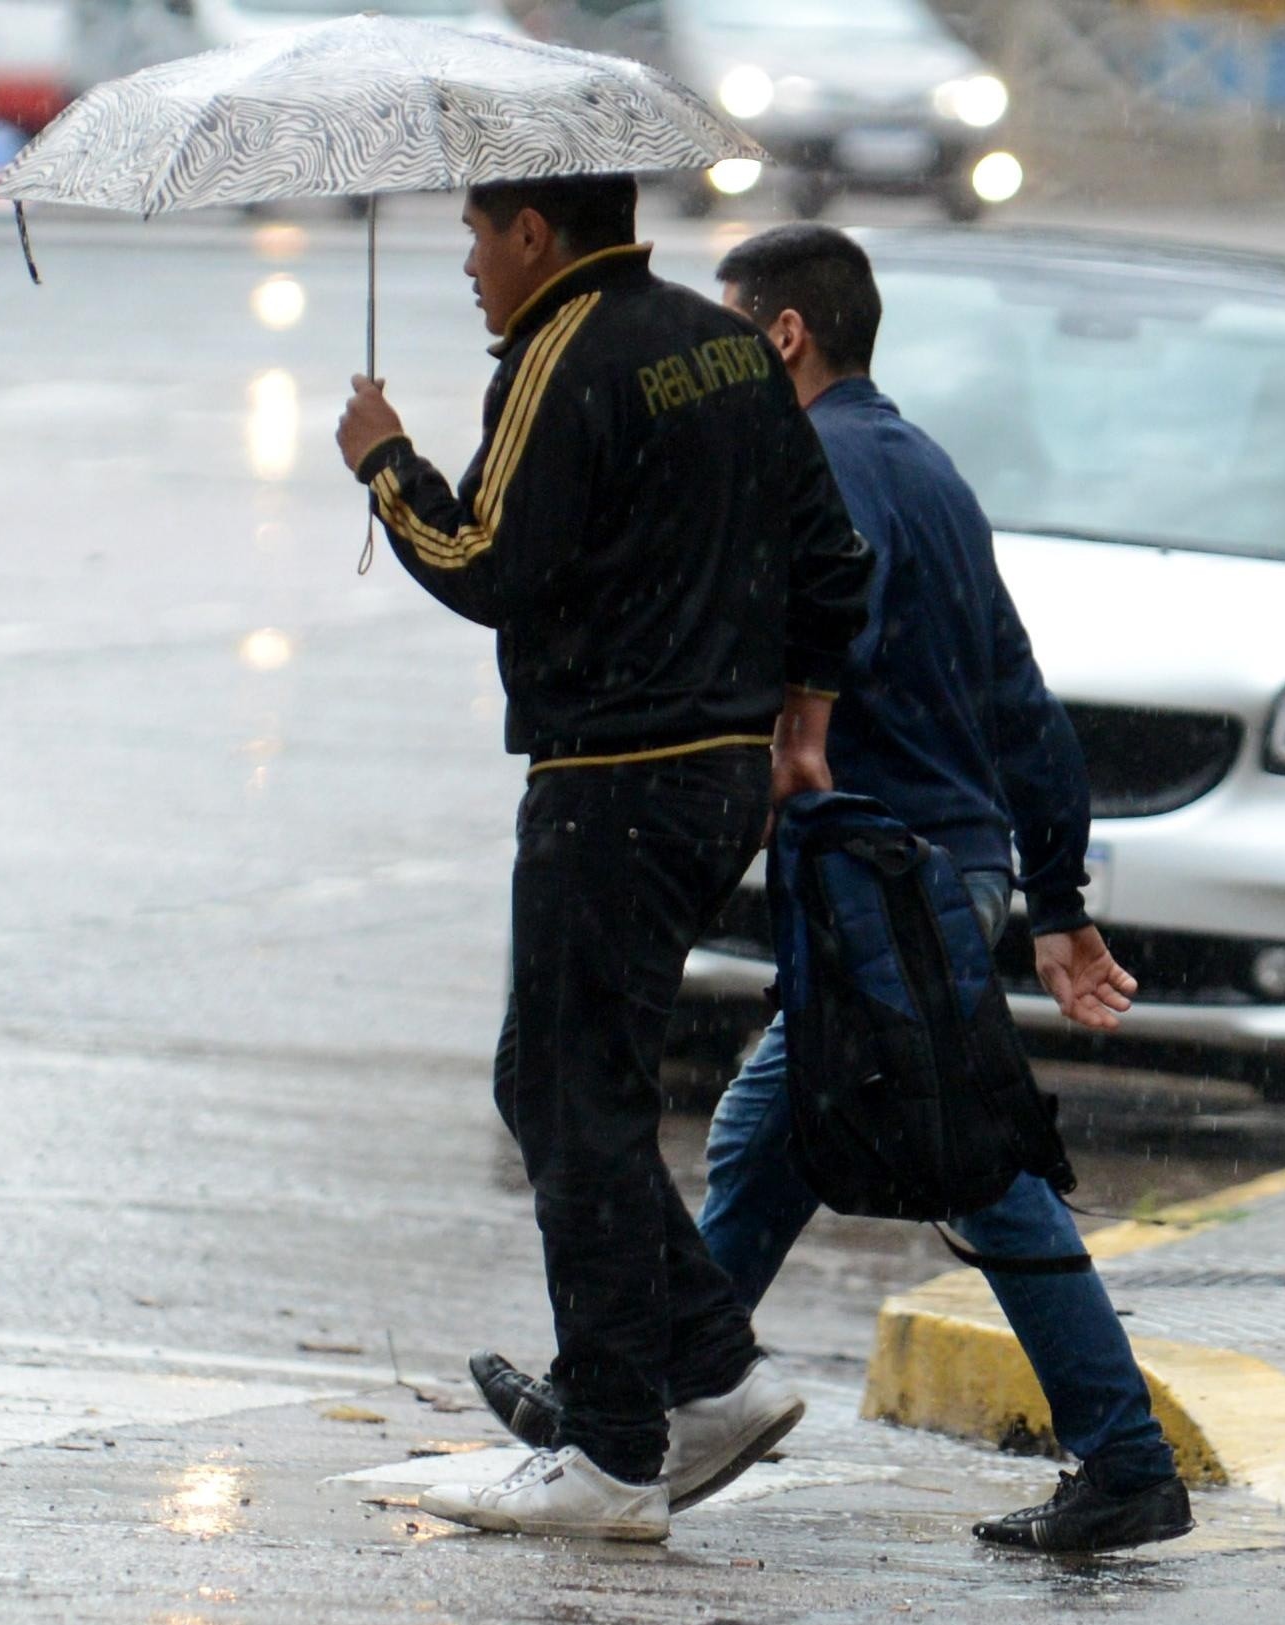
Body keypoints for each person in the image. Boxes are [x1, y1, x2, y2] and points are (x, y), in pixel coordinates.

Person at [469, 223, 1193, 1555]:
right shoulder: (923, 467)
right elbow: (1019, 697)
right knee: (763, 1145)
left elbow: (793, 659)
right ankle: (647, 1397)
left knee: (981, 1175)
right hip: (920, 874)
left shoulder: (829, 473)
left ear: (783, 336)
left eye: (728, 335)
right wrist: (1051, 889)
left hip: (886, 877)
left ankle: (1126, 1458)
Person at [333, 174, 873, 1545]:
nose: (465, 264)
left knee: (577, 1107)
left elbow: (484, 561)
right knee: (558, 1082)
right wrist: (797, 713)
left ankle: (617, 1454)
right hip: (712, 780)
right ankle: (704, 1372)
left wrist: (383, 462)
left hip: (608, 782)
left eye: (474, 234)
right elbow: (833, 554)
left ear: (534, 234)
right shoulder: (720, 340)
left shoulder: (563, 357)